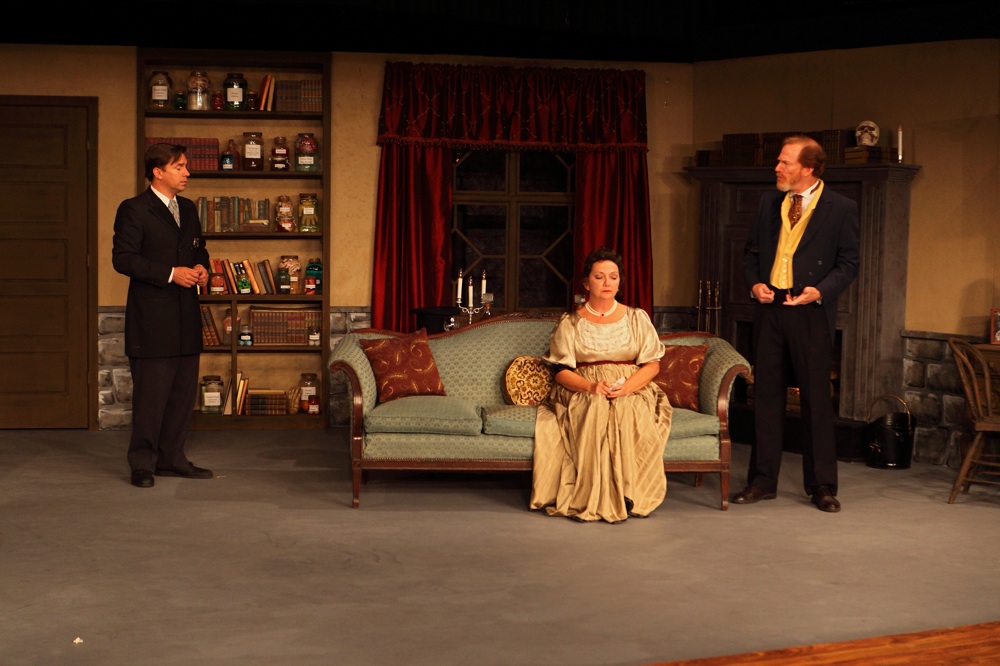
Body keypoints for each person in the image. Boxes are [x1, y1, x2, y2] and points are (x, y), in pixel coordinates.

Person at [735, 135, 860, 512]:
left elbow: (849, 264)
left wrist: (819, 291)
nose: (777, 168)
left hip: (810, 312)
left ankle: (821, 485)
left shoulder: (841, 208)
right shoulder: (768, 202)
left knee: (816, 401)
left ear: (808, 168)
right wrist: (754, 284)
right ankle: (762, 480)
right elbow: (750, 254)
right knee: (766, 396)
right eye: (779, 161)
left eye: (785, 163)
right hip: (770, 309)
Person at [530, 247, 672, 523]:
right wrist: (591, 387)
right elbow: (561, 372)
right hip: (583, 386)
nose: (607, 283)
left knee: (626, 409)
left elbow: (652, 365)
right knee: (595, 407)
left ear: (619, 282)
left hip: (631, 385)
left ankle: (628, 493)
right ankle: (591, 496)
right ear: (586, 283)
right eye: (599, 277)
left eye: (613, 277)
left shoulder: (636, 318)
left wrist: (628, 387)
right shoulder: (570, 322)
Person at [112, 143, 213, 488]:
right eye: (179, 167)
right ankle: (142, 463)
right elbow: (123, 259)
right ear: (158, 172)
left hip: (186, 316)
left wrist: (201, 267)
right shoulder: (134, 209)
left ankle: (172, 459)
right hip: (152, 319)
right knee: (150, 398)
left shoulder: (188, 208)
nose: (187, 172)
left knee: (182, 396)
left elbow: (199, 248)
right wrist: (171, 273)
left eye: (186, 166)